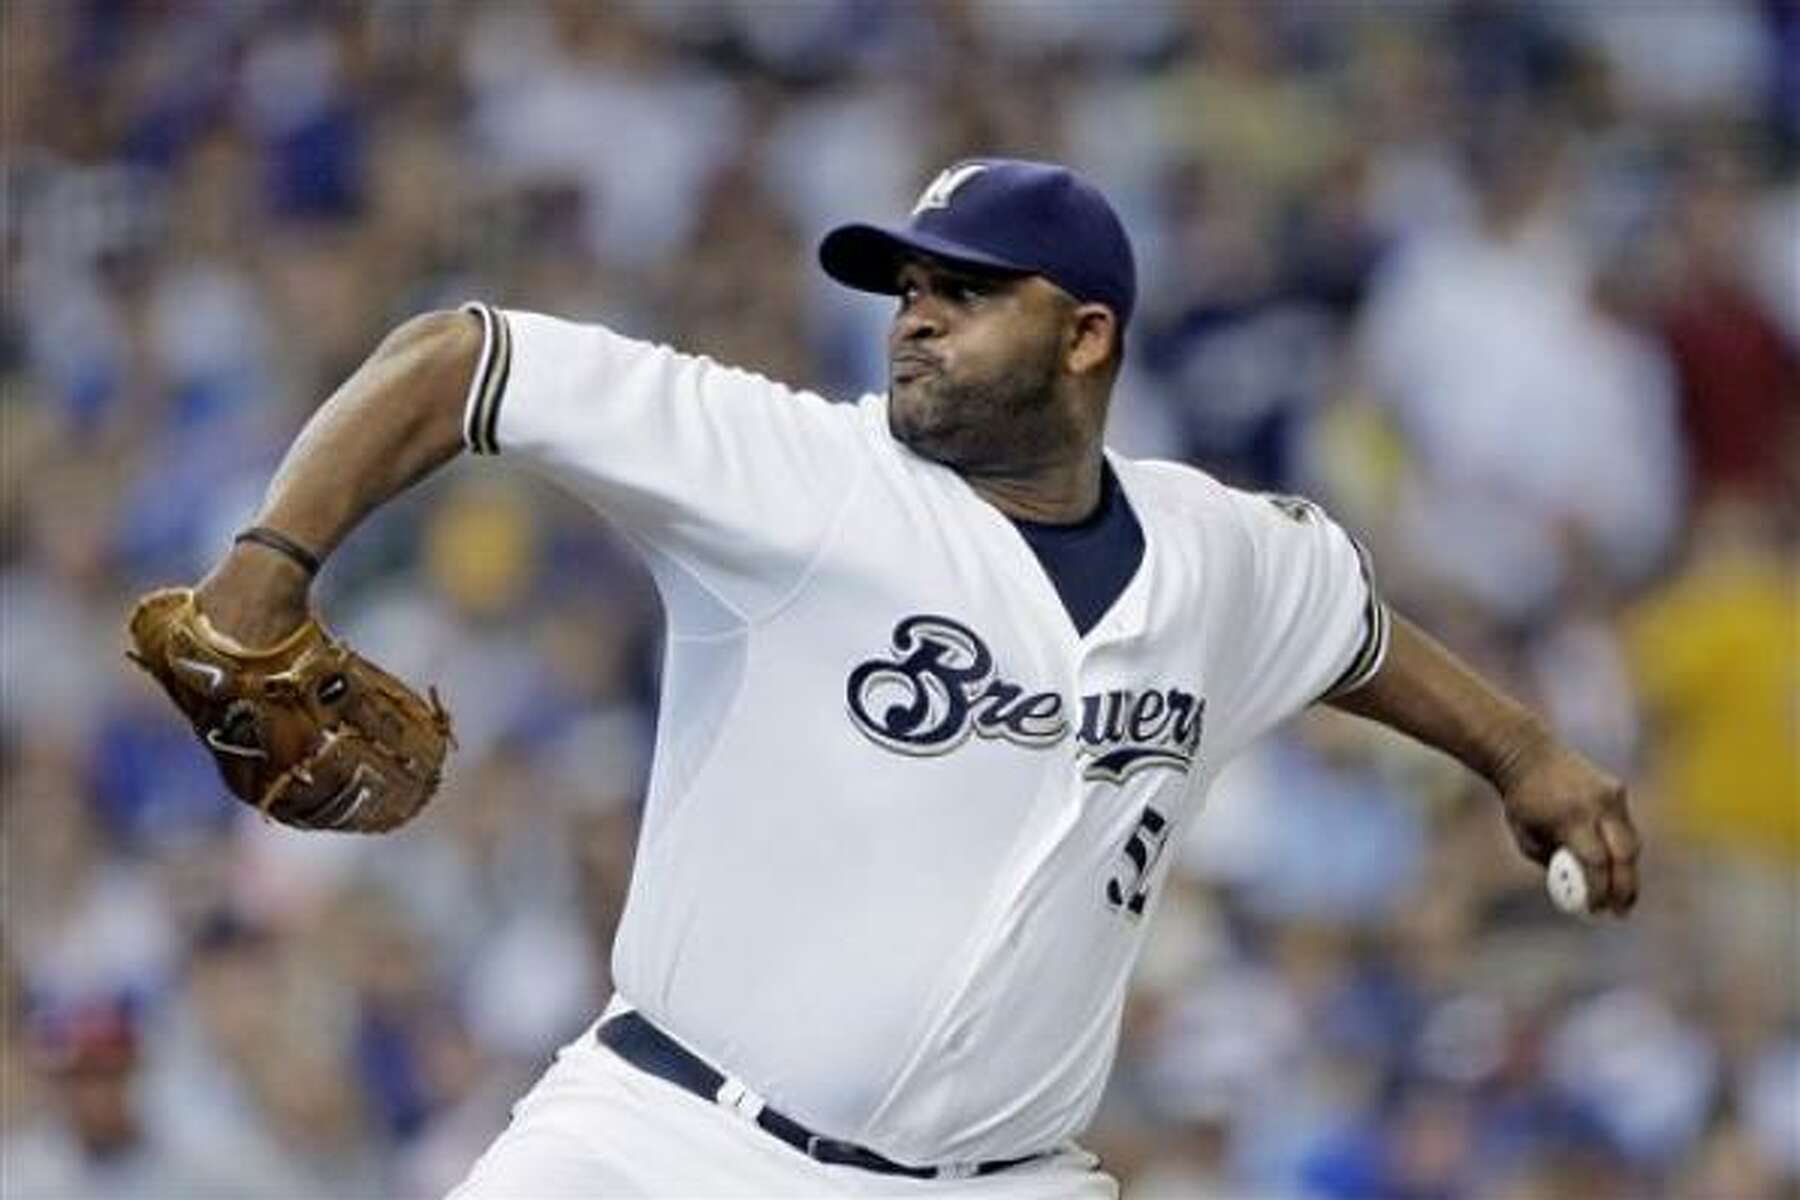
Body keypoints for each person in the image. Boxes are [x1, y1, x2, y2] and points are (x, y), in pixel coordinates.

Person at [189, 159, 1639, 1197]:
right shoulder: (800, 470)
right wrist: (262, 571)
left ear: (1087, 337)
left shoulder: (1222, 555)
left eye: (966, 289)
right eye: (907, 288)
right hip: (668, 1140)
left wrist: (1525, 760)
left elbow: (1356, 629)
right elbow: (464, 358)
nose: (915, 314)